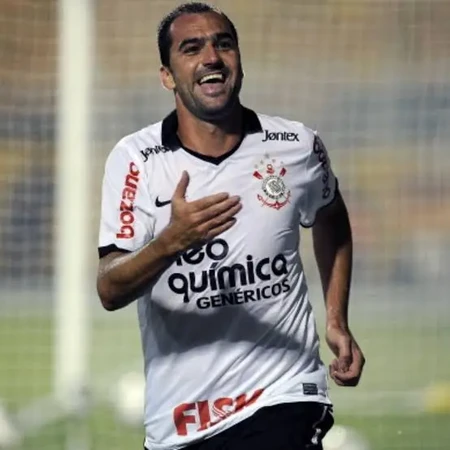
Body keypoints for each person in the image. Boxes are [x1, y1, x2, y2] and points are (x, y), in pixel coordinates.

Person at [96, 3, 365, 450]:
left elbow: (331, 216)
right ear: (167, 76)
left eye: (223, 44)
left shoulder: (296, 146)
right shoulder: (135, 161)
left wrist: (336, 320)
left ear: (239, 60)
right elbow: (109, 289)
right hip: (179, 420)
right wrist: (170, 243)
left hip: (284, 393)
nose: (212, 57)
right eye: (191, 48)